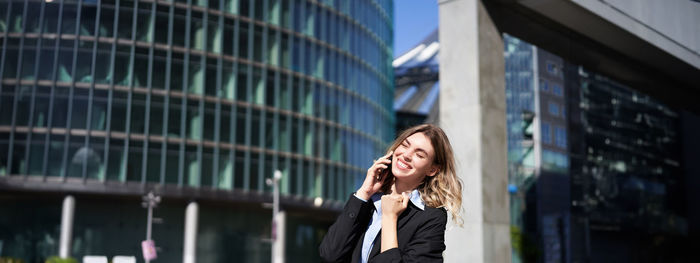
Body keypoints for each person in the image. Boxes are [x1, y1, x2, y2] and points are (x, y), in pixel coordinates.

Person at [319, 124, 463, 263]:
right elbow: (330, 255)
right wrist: (364, 192)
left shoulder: (431, 217)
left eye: (419, 155)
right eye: (405, 145)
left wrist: (389, 217)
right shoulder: (367, 201)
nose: (406, 155)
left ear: (432, 170)